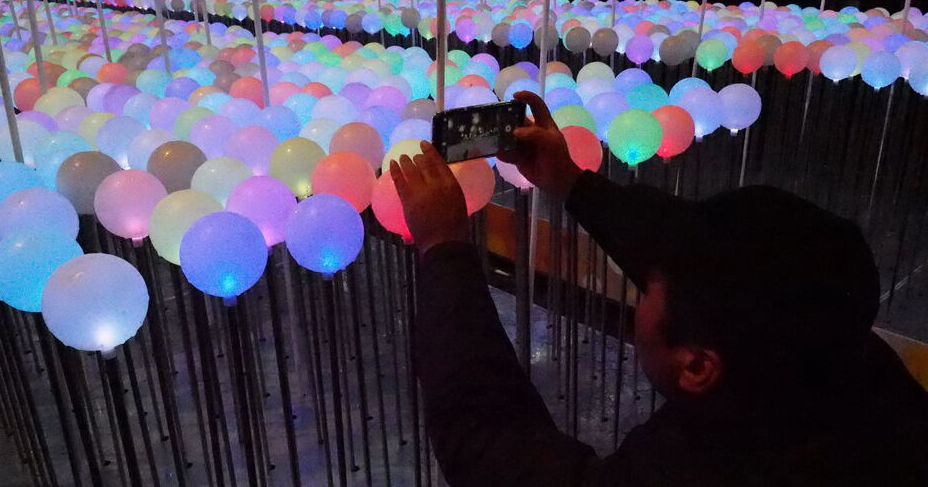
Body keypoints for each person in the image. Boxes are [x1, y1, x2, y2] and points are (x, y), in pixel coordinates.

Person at [389, 91, 928, 487]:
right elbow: (701, 251)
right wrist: (572, 183)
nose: (641, 284)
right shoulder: (849, 364)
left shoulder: (694, 475)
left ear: (696, 366)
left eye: (647, 288)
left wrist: (444, 247)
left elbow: (488, 442)